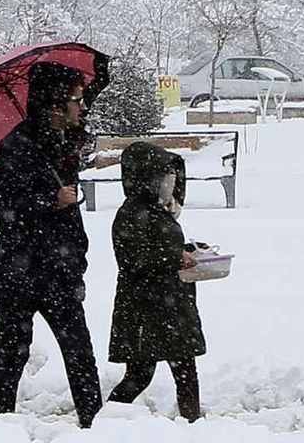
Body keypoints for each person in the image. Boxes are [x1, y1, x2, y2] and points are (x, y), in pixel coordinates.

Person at [0, 61, 102, 427]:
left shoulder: (64, 145)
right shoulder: (18, 147)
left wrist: (76, 261)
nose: (82, 107)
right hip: (21, 271)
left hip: (60, 269)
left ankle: (95, 424)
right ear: (54, 105)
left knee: (80, 353)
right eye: (76, 100)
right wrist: (51, 201)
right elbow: (6, 208)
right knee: (13, 352)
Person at [107, 142, 206, 422]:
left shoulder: (159, 211)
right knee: (140, 375)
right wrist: (176, 257)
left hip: (169, 306)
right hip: (145, 309)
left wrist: (188, 250)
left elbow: (159, 248)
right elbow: (134, 260)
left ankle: (193, 424)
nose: (170, 181)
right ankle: (106, 421)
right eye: (164, 175)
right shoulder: (131, 215)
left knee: (184, 369)